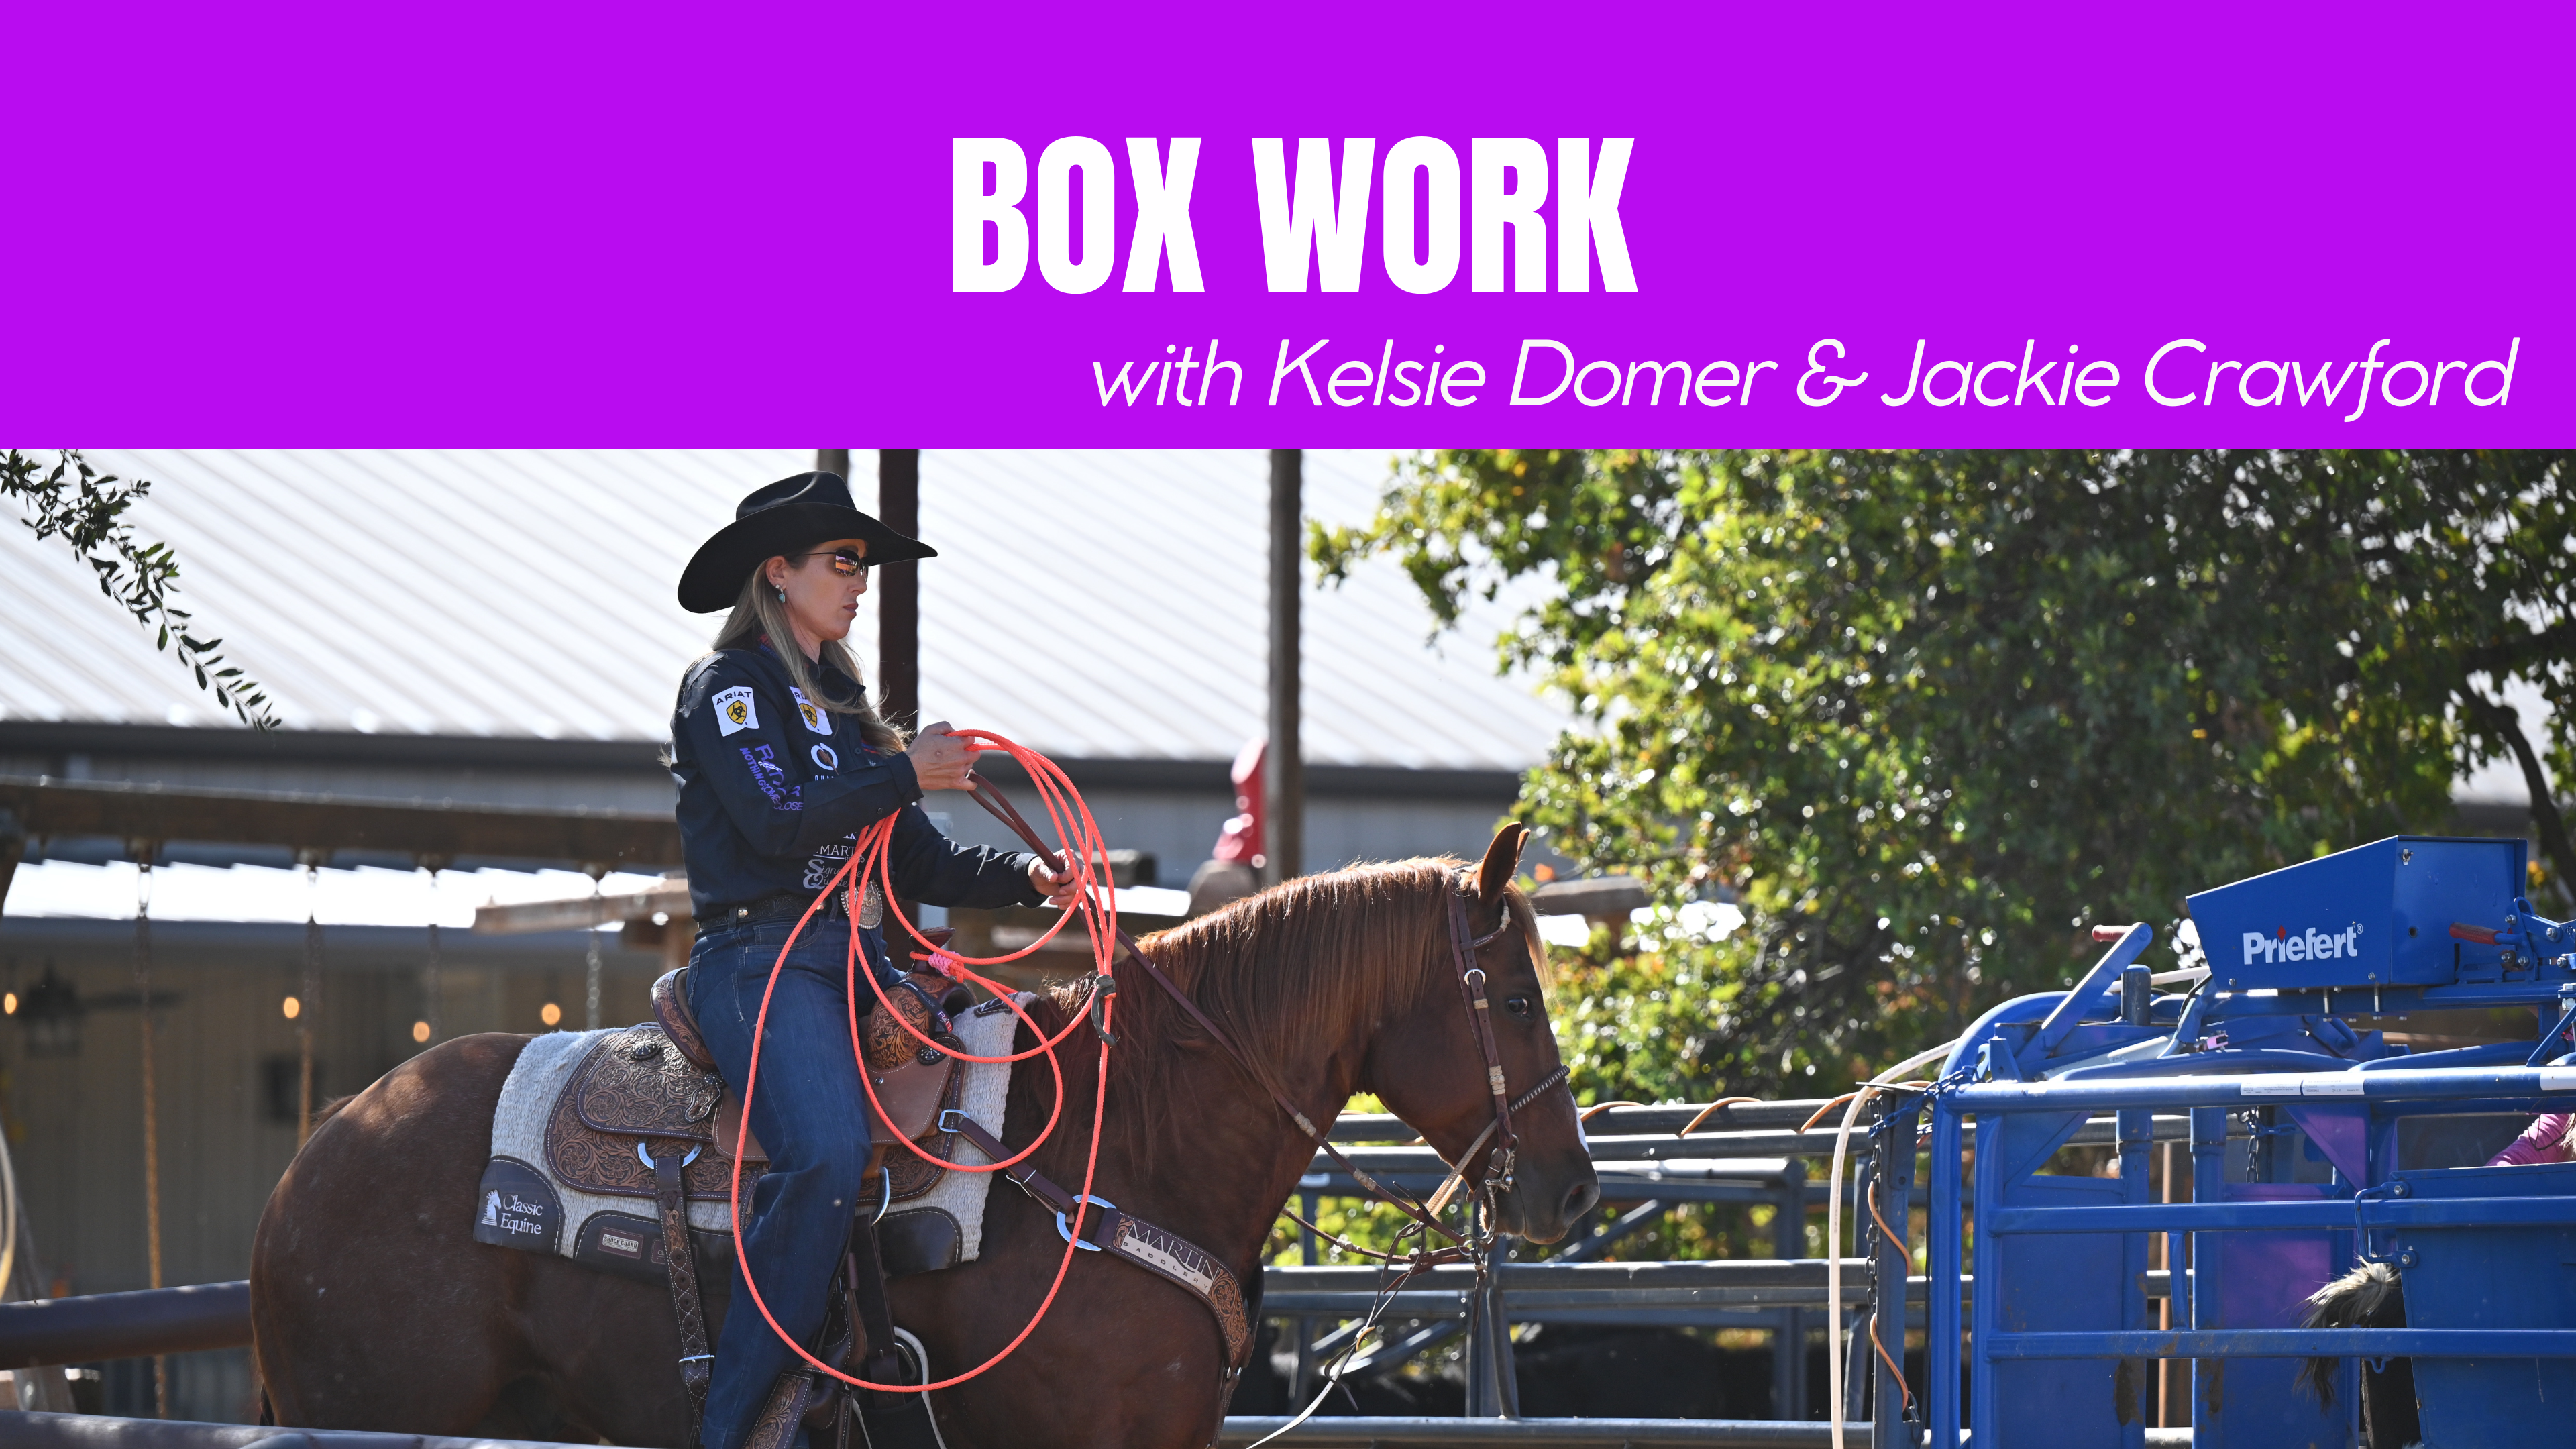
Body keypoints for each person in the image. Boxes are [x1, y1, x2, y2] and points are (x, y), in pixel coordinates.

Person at [669, 470, 1079, 1449]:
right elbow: (775, 823)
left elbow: (919, 859)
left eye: (863, 565)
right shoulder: (729, 688)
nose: (860, 581)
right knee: (824, 1152)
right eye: (843, 562)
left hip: (852, 961)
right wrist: (904, 770)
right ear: (779, 572)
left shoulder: (847, 709)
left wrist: (1028, 876)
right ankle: (733, 1428)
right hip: (760, 960)